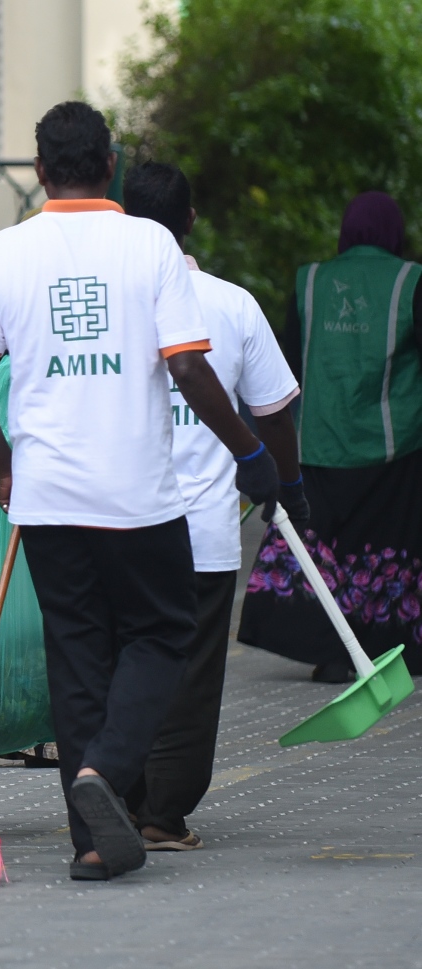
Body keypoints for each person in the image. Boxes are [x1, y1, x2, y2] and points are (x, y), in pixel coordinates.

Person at [0, 102, 286, 881]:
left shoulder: (5, 251)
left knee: (77, 656)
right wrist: (248, 449)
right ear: (111, 165)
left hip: (47, 497)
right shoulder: (150, 245)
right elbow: (188, 365)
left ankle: (93, 842)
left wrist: (4, 464)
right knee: (161, 633)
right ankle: (105, 769)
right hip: (137, 495)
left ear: (40, 169)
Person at [120, 162, 306, 851]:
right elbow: (275, 411)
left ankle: (116, 792)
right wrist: (287, 484)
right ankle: (163, 814)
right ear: (190, 219)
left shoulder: (104, 304)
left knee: (120, 662)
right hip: (201, 531)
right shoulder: (232, 305)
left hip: (114, 524)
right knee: (191, 675)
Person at [240, 191, 422, 682]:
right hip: (394, 444)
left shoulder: (310, 281)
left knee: (327, 550)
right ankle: (394, 650)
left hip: (319, 441)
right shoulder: (411, 281)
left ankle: (332, 654)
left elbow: (290, 364)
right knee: (387, 549)